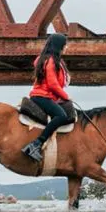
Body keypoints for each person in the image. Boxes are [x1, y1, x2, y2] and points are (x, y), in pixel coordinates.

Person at [21, 33, 73, 162]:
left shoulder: (48, 59)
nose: (66, 47)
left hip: (45, 96)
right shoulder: (51, 61)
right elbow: (52, 84)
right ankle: (36, 144)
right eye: (65, 45)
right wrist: (66, 97)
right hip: (42, 96)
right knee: (61, 116)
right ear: (59, 45)